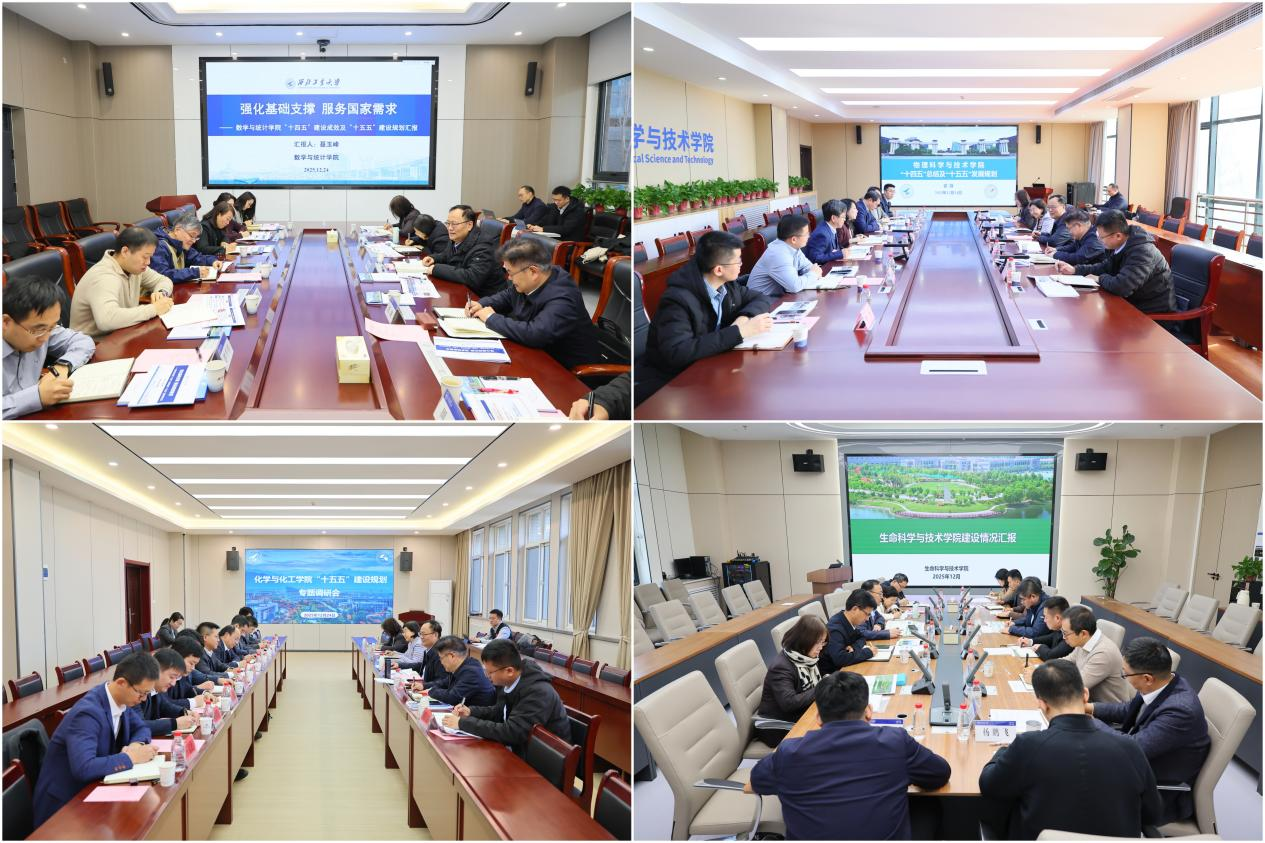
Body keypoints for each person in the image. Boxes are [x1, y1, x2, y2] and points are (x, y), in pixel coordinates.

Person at [747, 671, 951, 840]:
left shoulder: (789, 752)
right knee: (928, 804)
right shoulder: (895, 741)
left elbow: (753, 784)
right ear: (869, 711)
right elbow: (940, 774)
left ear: (818, 718)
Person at [979, 659, 1162, 839]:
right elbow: (1153, 815)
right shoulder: (1130, 748)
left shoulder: (1027, 745)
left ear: (1042, 703)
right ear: (1085, 695)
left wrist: (1003, 752)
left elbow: (989, 785)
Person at [635, 230, 774, 404]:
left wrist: (743, 319)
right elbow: (678, 352)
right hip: (673, 380)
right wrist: (739, 332)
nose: (741, 264)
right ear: (718, 269)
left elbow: (761, 298)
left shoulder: (727, 285)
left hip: (710, 365)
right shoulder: (677, 300)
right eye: (738, 260)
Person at [1089, 637, 1210, 826]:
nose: (1123, 676)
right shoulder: (1163, 683)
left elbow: (1133, 748)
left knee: (1074, 781)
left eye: (1125, 674)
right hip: (1139, 766)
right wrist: (1089, 708)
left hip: (1156, 793)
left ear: (1147, 678)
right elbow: (1128, 710)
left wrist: (1088, 722)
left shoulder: (1180, 710)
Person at [32, 652, 159, 827]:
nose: (143, 699)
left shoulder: (120, 700)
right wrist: (130, 758)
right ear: (121, 683)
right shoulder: (88, 713)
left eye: (147, 694)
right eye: (141, 693)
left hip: (93, 790)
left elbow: (142, 728)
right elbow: (83, 768)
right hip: (64, 806)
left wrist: (136, 745)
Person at [462, 237, 602, 369]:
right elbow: (507, 296)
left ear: (533, 272)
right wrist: (482, 304)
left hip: (566, 370)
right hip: (537, 355)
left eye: (510, 272)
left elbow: (535, 334)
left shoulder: (563, 297)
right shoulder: (534, 279)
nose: (509, 278)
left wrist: (491, 318)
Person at [443, 639, 571, 756]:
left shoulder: (537, 692)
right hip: (520, 749)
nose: (487, 676)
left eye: (490, 672)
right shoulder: (511, 681)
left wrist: (463, 724)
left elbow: (513, 732)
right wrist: (471, 711)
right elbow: (500, 711)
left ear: (509, 671)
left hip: (541, 760)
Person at [3, 275, 96, 419]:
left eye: (52, 327)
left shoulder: (43, 329)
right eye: (39, 329)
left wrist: (62, 367)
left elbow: (83, 341)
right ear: (6, 322)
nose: (45, 338)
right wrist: (37, 396)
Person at [1056, 209, 1174, 314]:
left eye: (1101, 238)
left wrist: (1099, 278)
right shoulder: (1120, 244)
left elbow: (1122, 287)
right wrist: (1075, 269)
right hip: (1132, 304)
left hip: (1152, 314)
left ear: (1118, 236)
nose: (1099, 241)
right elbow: (1105, 267)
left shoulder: (1143, 252)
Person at [69, 226, 173, 339]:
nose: (148, 262)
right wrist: (153, 309)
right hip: (96, 343)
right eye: (145, 257)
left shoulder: (134, 267)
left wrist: (161, 294)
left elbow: (163, 280)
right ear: (125, 251)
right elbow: (106, 320)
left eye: (150, 257)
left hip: (124, 332)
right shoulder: (104, 276)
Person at [754, 615, 828, 747]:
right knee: (829, 734)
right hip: (776, 726)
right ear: (805, 640)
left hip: (797, 714)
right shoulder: (781, 667)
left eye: (823, 642)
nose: (821, 647)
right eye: (818, 642)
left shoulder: (806, 657)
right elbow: (789, 703)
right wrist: (821, 687)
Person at [421, 205, 508, 297]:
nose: (450, 228)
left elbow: (472, 277)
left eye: (454, 224)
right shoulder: (457, 237)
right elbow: (447, 255)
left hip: (485, 297)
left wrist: (436, 269)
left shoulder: (484, 247)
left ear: (469, 225)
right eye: (448, 223)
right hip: (464, 291)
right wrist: (434, 258)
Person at [1059, 605, 1133, 703]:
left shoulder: (1103, 654)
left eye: (1065, 633)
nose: (1063, 637)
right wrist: (1044, 669)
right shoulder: (1084, 641)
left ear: (1083, 634)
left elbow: (1075, 687)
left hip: (1106, 710)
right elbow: (1066, 661)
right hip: (1088, 701)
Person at [747, 214, 822, 296]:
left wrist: (812, 272)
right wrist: (813, 274)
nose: (809, 236)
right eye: (806, 234)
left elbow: (808, 267)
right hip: (762, 300)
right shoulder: (778, 254)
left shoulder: (793, 247)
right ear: (794, 239)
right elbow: (794, 286)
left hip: (779, 297)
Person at [135, 648, 197, 736]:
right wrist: (175, 724)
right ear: (156, 670)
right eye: (172, 677)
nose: (173, 683)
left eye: (176, 678)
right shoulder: (136, 690)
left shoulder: (157, 688)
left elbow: (164, 706)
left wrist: (184, 712)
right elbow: (138, 726)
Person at [422, 635, 496, 706]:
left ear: (452, 656)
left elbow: (452, 697)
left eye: (441, 658)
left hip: (474, 713)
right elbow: (444, 682)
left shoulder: (471, 672)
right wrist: (424, 686)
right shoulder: (463, 665)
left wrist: (430, 691)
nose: (441, 662)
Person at [150, 213, 222, 284]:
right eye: (191, 236)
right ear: (177, 230)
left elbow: (196, 257)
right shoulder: (159, 246)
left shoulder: (180, 243)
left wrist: (212, 261)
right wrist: (195, 272)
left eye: (196, 238)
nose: (194, 241)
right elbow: (162, 275)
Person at [819, 589, 877, 673]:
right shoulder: (834, 629)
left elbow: (862, 637)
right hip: (833, 674)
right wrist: (868, 652)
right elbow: (840, 659)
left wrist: (853, 647)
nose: (867, 619)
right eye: (867, 614)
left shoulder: (848, 620)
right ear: (855, 609)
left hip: (846, 669)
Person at [1017, 595, 1072, 661]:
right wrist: (1030, 641)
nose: (1044, 620)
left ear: (1057, 618)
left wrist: (1040, 647)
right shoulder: (1060, 628)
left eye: (1046, 617)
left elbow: (1050, 656)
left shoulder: (1070, 634)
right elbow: (1051, 637)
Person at [803, 200, 847, 266]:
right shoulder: (821, 234)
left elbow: (834, 249)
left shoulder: (831, 227)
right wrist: (839, 254)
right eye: (843, 217)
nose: (844, 219)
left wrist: (843, 251)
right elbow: (815, 258)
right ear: (833, 218)